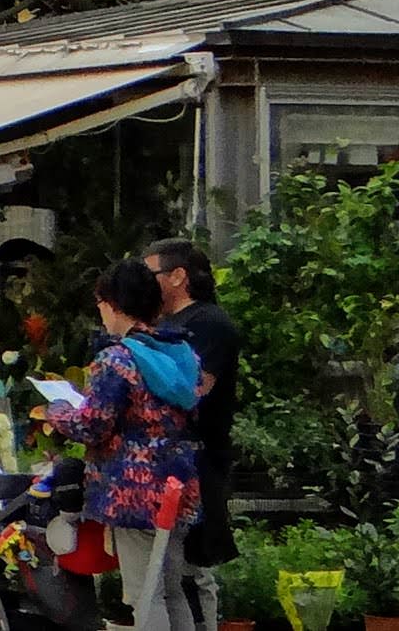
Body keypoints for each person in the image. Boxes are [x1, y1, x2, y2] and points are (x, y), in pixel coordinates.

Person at [47, 260, 202, 631]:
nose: (100, 313)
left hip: (132, 491)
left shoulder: (116, 359)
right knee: (172, 588)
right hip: (178, 484)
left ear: (114, 304)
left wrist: (57, 410)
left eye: (101, 304)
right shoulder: (179, 352)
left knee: (144, 593)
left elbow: (93, 425)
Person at [148, 238, 243, 631]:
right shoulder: (161, 325)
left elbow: (194, 389)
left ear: (177, 277)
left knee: (192, 565)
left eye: (150, 273)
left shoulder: (208, 325)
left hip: (198, 457)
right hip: (165, 458)